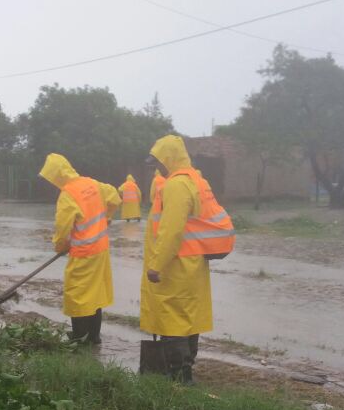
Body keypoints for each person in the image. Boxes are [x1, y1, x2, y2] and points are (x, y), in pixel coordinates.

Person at [140, 134, 234, 383]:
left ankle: (179, 377)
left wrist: (156, 265)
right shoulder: (196, 180)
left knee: (173, 321)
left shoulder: (176, 185)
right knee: (188, 319)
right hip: (192, 263)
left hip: (176, 265)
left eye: (159, 162)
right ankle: (186, 370)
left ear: (168, 158)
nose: (157, 167)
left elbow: (172, 230)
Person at [39, 153, 121, 344]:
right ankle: (94, 337)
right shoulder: (93, 183)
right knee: (95, 293)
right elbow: (115, 198)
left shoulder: (68, 194)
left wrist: (60, 246)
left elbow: (62, 227)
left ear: (55, 175)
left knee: (77, 295)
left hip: (83, 253)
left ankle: (79, 338)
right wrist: (107, 217)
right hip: (101, 250)